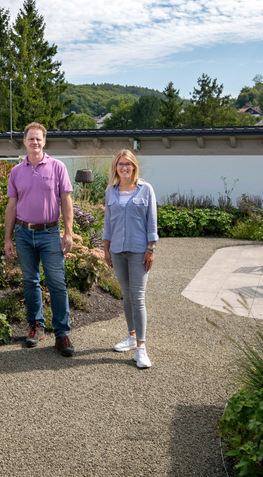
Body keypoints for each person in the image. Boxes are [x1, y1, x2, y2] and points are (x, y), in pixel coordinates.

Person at [4, 122, 75, 356]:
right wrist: (8, 239)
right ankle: (36, 326)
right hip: (23, 234)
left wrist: (68, 233)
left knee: (56, 283)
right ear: (24, 142)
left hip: (49, 233)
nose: (35, 142)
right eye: (31, 139)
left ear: (44, 142)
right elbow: (11, 206)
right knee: (30, 281)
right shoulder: (16, 171)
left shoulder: (57, 167)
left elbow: (66, 201)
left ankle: (62, 333)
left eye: (39, 139)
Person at [102, 149, 158, 369]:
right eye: (120, 164)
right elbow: (108, 222)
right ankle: (131, 336)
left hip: (138, 251)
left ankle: (141, 349)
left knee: (138, 297)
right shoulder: (111, 191)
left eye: (128, 164)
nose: (124, 167)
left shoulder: (146, 190)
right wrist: (106, 248)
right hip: (117, 250)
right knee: (126, 296)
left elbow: (151, 221)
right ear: (115, 167)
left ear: (134, 166)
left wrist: (151, 248)